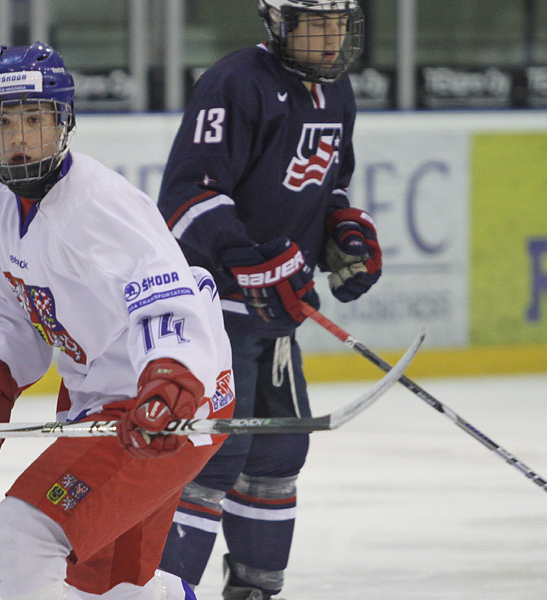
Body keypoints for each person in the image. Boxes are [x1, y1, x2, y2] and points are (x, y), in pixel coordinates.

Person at [0, 42, 236, 600]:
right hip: (98, 404)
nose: (17, 139)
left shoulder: (100, 206)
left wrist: (170, 380)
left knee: (18, 544)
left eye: (32, 120)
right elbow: (8, 312)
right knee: (108, 587)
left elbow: (167, 301)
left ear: (63, 122)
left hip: (170, 402)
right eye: (2, 123)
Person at [155, 2, 381, 599]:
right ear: (279, 22)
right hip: (215, 317)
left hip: (276, 323)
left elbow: (329, 187)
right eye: (318, 22)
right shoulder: (235, 83)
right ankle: (165, 591)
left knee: (279, 455)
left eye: (341, 22)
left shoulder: (336, 93)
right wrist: (247, 258)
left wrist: (343, 232)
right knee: (212, 459)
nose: (334, 36)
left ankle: (254, 590)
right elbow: (184, 199)